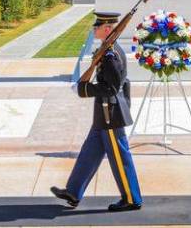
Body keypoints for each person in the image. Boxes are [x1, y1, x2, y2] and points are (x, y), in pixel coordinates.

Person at [51, 11, 143, 212]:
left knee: (119, 157)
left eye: (97, 27)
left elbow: (110, 88)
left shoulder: (110, 55)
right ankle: (74, 192)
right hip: (104, 113)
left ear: (108, 29)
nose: (94, 29)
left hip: (110, 113)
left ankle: (131, 198)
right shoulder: (107, 50)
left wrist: (84, 89)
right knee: (90, 152)